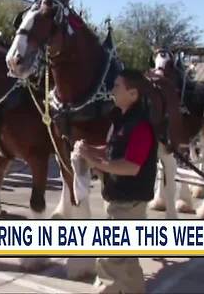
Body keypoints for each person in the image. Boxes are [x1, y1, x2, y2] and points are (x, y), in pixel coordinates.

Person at [77, 69, 157, 294]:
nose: (112, 90)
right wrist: (91, 149)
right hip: (120, 200)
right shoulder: (122, 120)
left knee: (109, 260)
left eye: (117, 86)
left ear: (133, 94)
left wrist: (94, 162)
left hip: (128, 204)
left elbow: (131, 166)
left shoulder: (140, 126)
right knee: (127, 262)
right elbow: (114, 151)